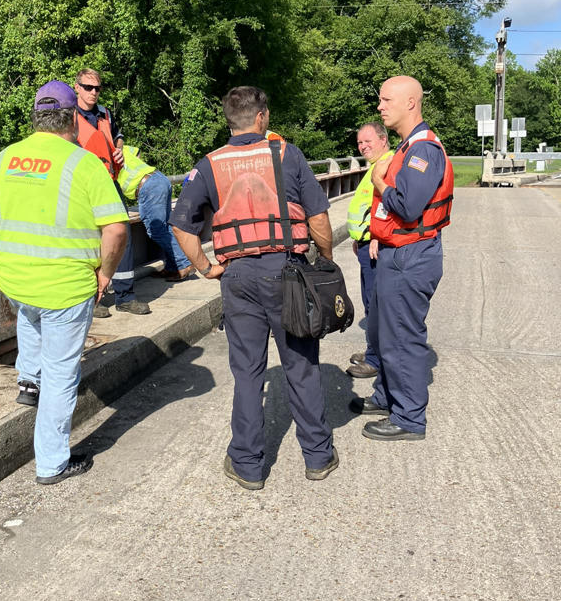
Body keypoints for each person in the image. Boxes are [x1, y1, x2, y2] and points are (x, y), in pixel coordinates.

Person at [170, 85, 338, 488]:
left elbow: (180, 224)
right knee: (300, 365)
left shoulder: (209, 164)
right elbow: (317, 218)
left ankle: (247, 465)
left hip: (238, 277)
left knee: (247, 373)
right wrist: (325, 259)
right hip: (288, 273)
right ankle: (317, 456)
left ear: (231, 121)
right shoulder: (287, 154)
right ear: (262, 118)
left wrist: (206, 267)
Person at [0, 81, 129, 484]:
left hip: (18, 278)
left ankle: (28, 380)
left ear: (36, 117)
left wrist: (8, 246)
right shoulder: (83, 163)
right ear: (73, 119)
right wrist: (105, 272)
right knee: (62, 372)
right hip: (65, 286)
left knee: (30, 315)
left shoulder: (5, 158)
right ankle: (52, 463)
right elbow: (116, 230)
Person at [352, 75, 454, 442]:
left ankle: (409, 418)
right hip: (396, 253)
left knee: (402, 338)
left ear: (410, 103)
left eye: (386, 100)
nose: (380, 106)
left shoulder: (423, 151)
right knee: (383, 332)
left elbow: (408, 207)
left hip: (412, 257)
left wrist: (379, 182)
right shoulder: (405, 146)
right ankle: (386, 398)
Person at [74, 67, 151, 317]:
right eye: (88, 87)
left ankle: (125, 296)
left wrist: (119, 149)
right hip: (81, 185)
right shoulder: (68, 116)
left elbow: (117, 136)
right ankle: (91, 300)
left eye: (97, 88)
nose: (93, 92)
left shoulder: (105, 113)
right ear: (77, 87)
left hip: (108, 181)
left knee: (121, 234)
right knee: (88, 238)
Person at [345, 122, 392, 378]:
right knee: (369, 300)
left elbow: (387, 203)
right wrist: (359, 236)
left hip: (375, 245)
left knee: (375, 303)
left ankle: (375, 360)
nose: (363, 147)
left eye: (368, 141)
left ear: (383, 139)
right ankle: (373, 349)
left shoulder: (388, 164)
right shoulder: (375, 165)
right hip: (365, 243)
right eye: (360, 143)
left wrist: (376, 235)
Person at [117, 145, 195, 280]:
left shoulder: (99, 156)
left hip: (147, 187)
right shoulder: (118, 146)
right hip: (158, 178)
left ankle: (183, 264)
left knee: (156, 231)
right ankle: (173, 267)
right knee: (165, 228)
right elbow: (137, 152)